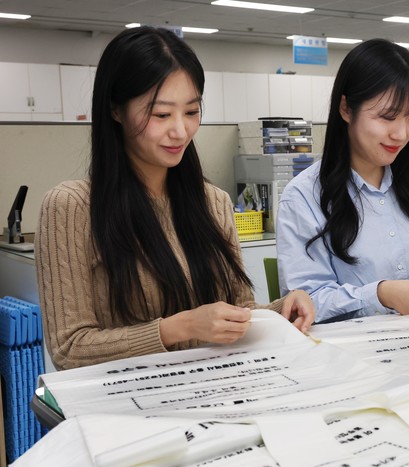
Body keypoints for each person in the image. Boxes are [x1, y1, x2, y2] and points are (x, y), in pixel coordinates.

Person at [35, 27, 314, 370]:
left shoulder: (213, 203)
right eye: (161, 114)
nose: (180, 131)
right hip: (126, 397)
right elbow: (69, 349)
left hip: (211, 388)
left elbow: (238, 312)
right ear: (116, 110)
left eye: (192, 112)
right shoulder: (71, 207)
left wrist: (283, 309)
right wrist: (178, 328)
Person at [276, 39, 409, 323]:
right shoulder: (304, 197)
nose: (400, 134)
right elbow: (307, 301)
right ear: (346, 109)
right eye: (387, 117)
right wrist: (380, 295)